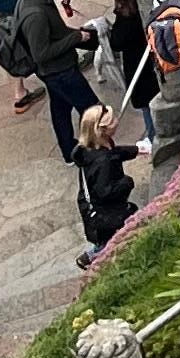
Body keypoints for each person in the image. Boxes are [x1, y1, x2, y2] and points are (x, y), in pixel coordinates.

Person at [10, 0, 96, 165]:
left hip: (56, 71)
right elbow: (41, 53)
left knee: (60, 108)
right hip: (59, 71)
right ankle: (99, 151)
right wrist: (75, 37)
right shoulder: (36, 15)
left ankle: (69, 152)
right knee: (93, 110)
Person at [92, 0, 154, 160]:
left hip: (138, 65)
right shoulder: (144, 3)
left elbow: (117, 43)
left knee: (146, 103)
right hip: (151, 59)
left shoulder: (126, 17)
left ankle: (152, 136)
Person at [73, 107, 138, 263]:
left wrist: (134, 151)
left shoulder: (91, 148)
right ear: (103, 130)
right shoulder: (103, 162)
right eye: (112, 121)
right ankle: (92, 258)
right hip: (105, 214)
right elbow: (105, 191)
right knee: (113, 241)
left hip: (96, 210)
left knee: (108, 240)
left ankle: (93, 254)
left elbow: (114, 153)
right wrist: (127, 182)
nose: (116, 121)